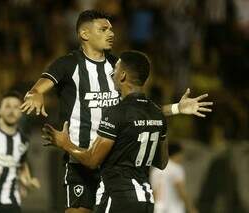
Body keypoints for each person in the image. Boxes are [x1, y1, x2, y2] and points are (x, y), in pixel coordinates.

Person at [20, 10, 212, 213]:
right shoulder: (68, 64)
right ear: (84, 34)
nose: (111, 33)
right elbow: (39, 87)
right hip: (80, 161)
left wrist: (176, 108)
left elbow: (138, 112)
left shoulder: (118, 67)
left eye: (111, 29)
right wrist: (35, 94)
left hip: (113, 165)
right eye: (103, 29)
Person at [42, 50, 168, 213]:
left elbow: (92, 160)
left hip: (117, 197)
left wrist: (66, 143)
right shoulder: (158, 113)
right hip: (145, 200)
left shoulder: (116, 113)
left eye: (115, 69)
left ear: (122, 75)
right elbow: (162, 162)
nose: (111, 73)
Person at [150, 142, 198, 213]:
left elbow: (153, 191)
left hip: (158, 208)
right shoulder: (176, 168)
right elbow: (181, 191)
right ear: (177, 154)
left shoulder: (156, 170)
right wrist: (191, 209)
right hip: (173, 209)